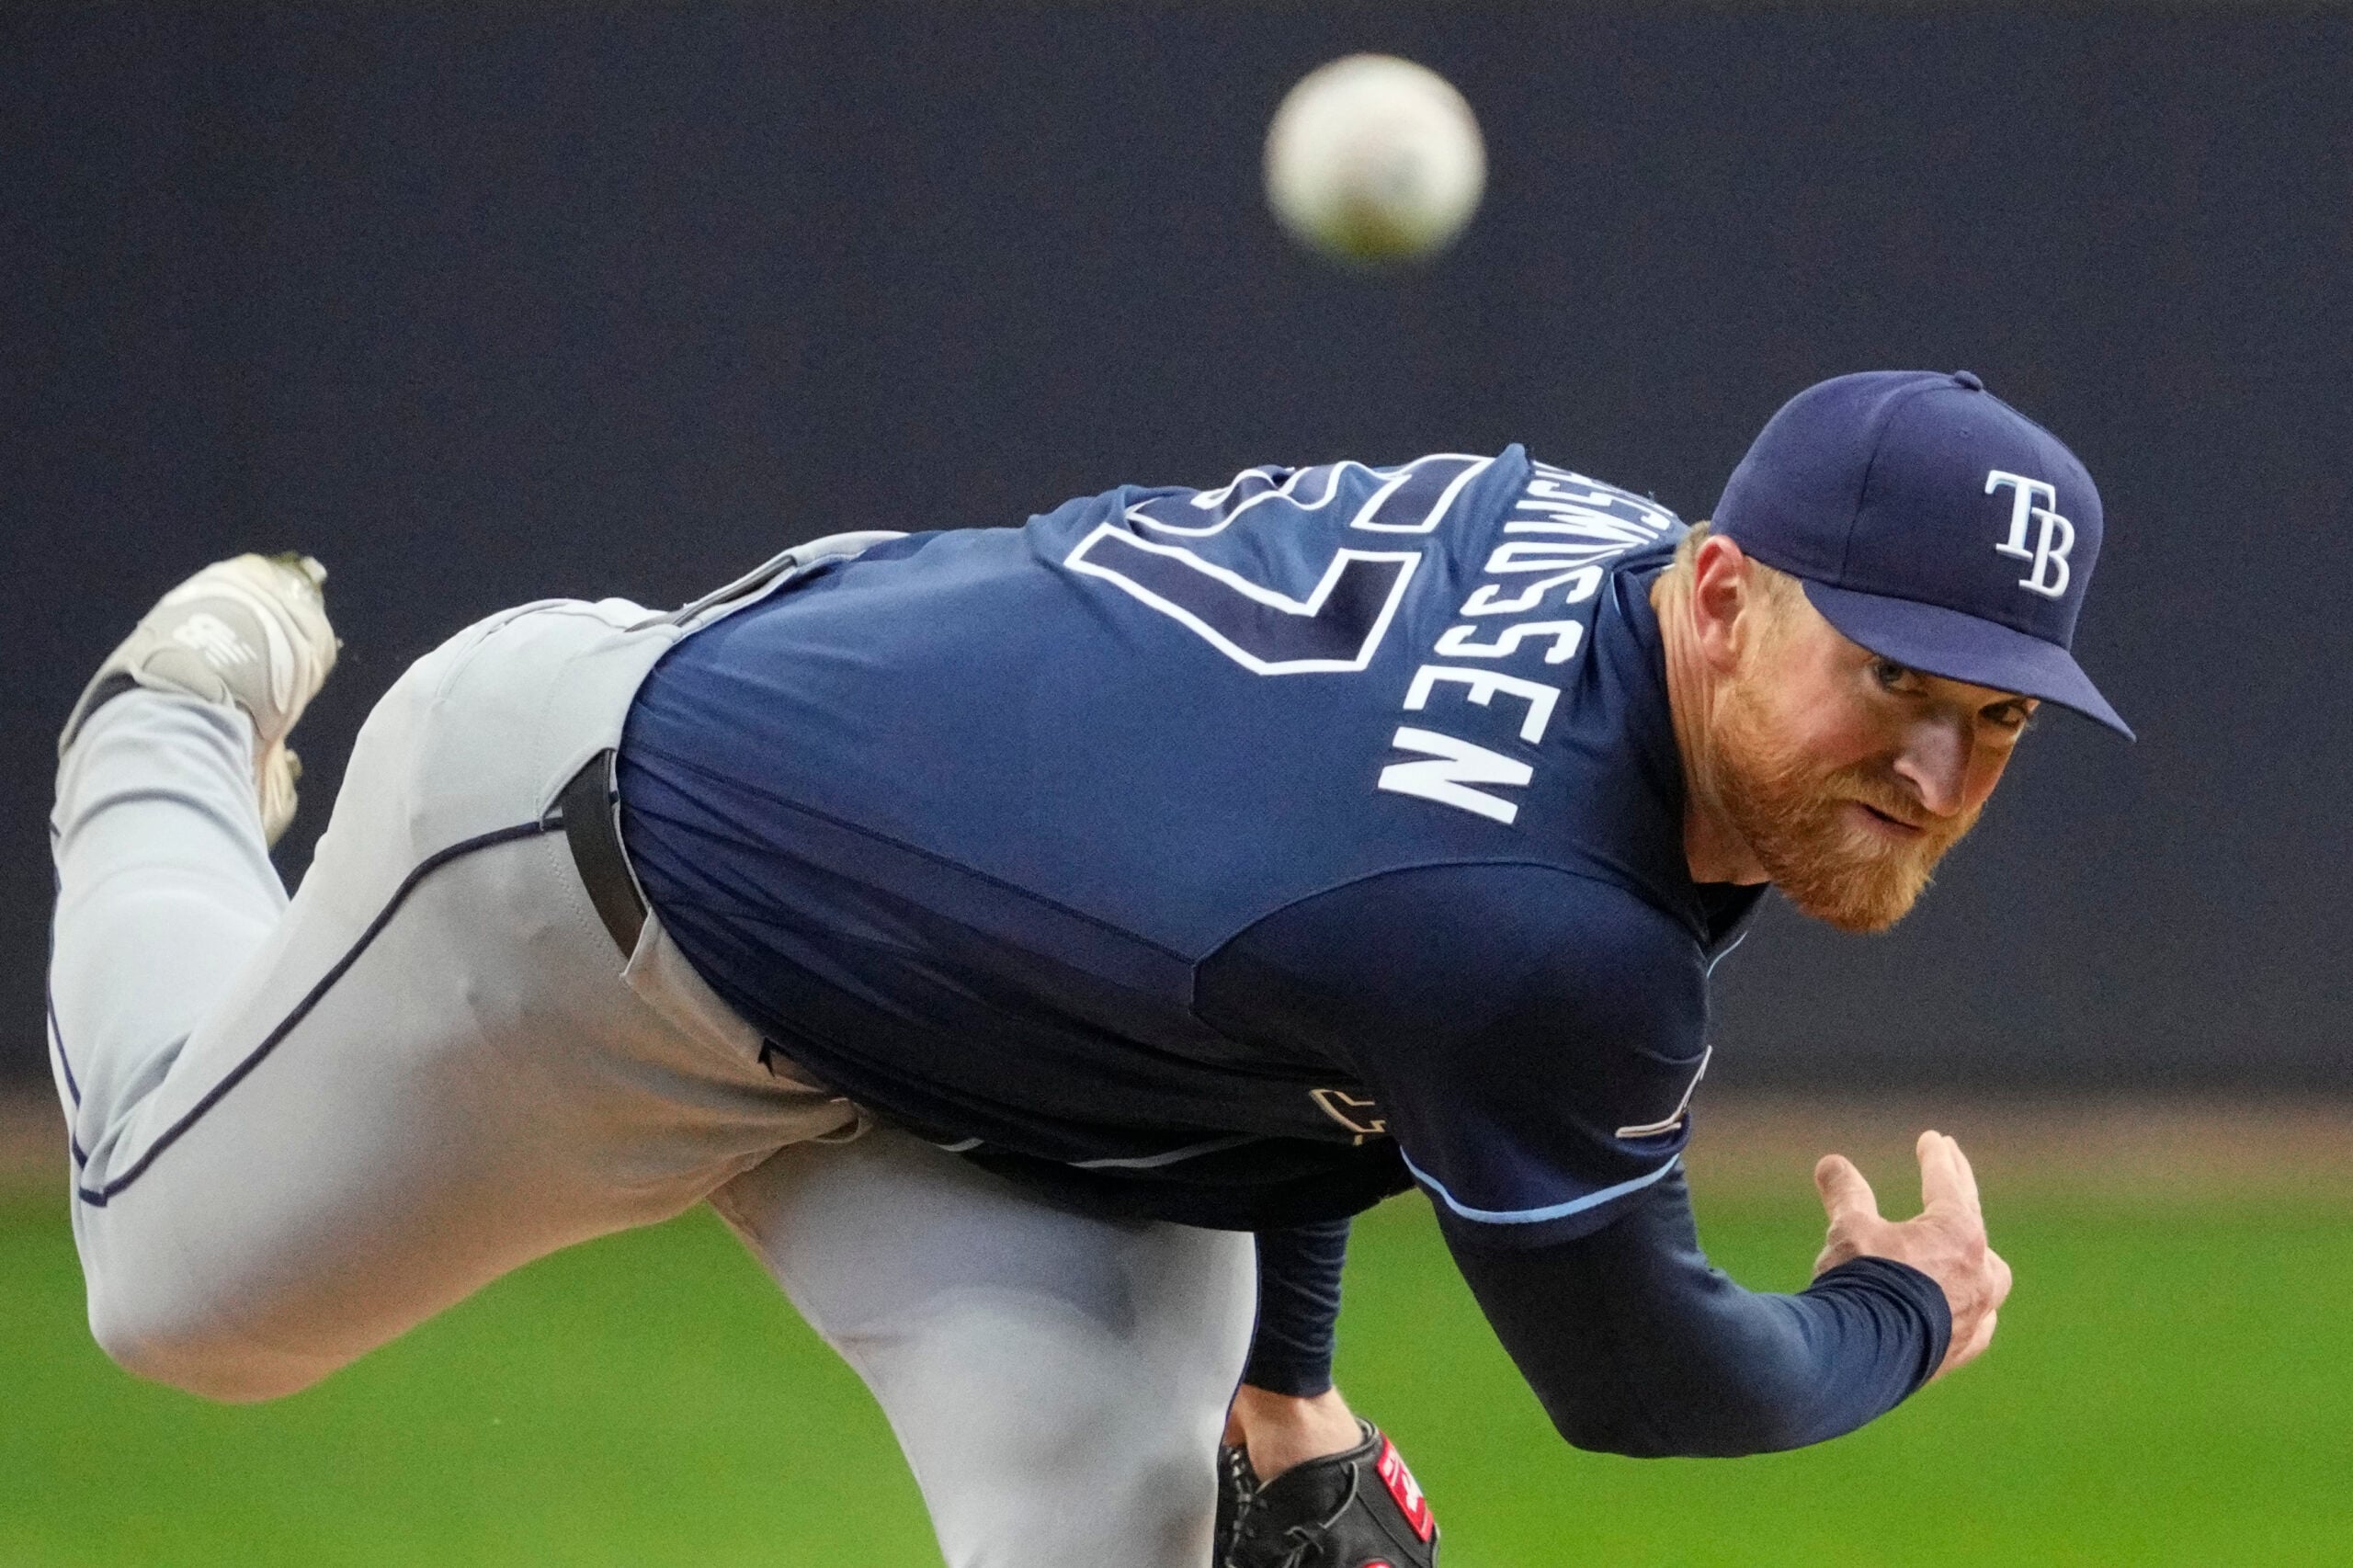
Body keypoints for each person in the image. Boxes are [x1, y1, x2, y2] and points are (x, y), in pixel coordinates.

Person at [46, 369, 2120, 1568]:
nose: (1935, 768)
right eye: (1891, 681)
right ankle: (161, 726)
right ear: (1731, 595)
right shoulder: (1543, 931)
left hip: (992, 1054)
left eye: (1999, 720)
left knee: (1129, 1526)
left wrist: (1287, 1392)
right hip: (603, 884)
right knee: (182, 1307)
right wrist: (1891, 1317)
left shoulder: (1604, 547)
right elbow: (1644, 1379)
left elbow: (1305, 973)